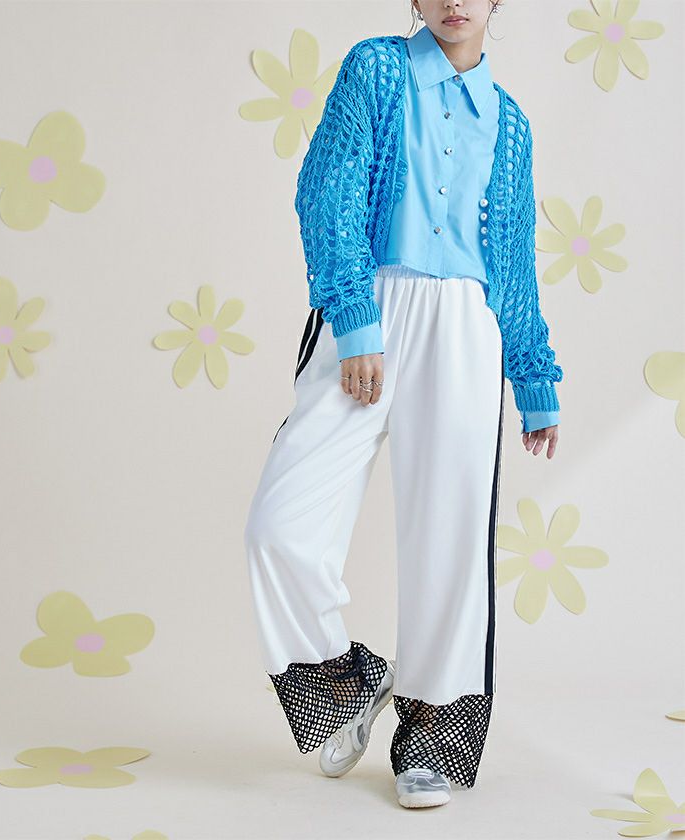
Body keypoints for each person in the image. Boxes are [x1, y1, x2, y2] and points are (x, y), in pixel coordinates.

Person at [244, 0, 563, 810]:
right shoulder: (377, 69)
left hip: (465, 328)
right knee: (281, 524)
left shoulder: (512, 124)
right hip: (370, 307)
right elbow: (328, 191)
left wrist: (533, 378)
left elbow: (514, 260)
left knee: (451, 537)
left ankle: (432, 737)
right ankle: (348, 683)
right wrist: (356, 318)